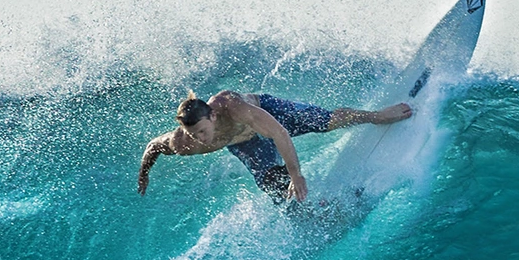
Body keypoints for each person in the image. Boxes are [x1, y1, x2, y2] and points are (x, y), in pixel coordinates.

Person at [136, 90, 412, 202]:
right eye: (194, 134)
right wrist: (144, 173)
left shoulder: (233, 106)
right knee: (275, 187)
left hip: (270, 115)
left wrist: (296, 173)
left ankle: (376, 116)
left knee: (325, 121)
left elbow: (279, 133)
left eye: (202, 131)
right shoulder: (185, 142)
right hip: (246, 146)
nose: (200, 139)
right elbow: (153, 146)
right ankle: (318, 212)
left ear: (213, 115)